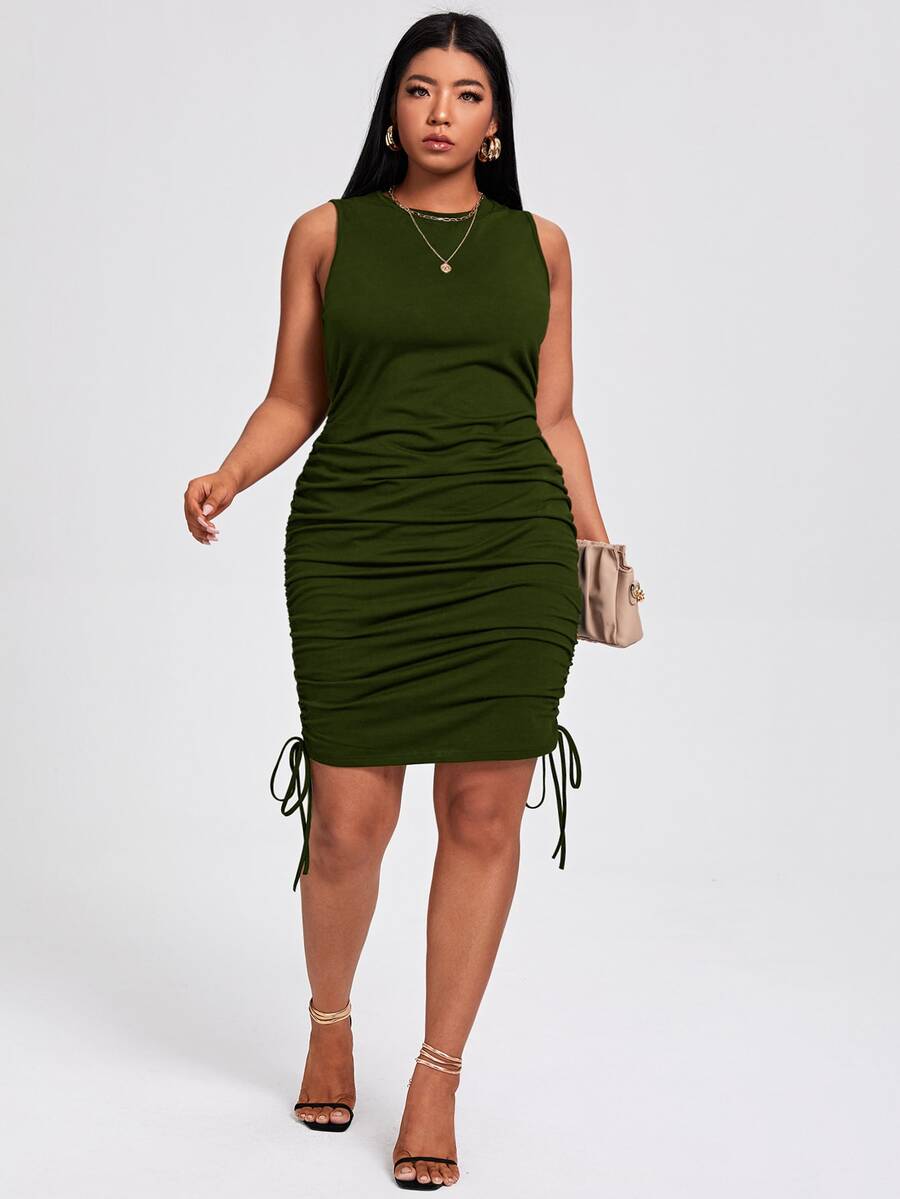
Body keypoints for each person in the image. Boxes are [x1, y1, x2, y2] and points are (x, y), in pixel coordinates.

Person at [183, 12, 610, 1190]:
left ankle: (436, 1073)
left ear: (495, 121)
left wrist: (596, 549)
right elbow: (295, 394)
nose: (440, 112)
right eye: (420, 89)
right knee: (346, 823)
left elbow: (555, 415)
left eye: (466, 94)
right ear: (391, 108)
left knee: (483, 814)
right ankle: (330, 1018)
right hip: (360, 542)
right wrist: (229, 471)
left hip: (507, 550)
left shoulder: (542, 247)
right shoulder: (327, 234)